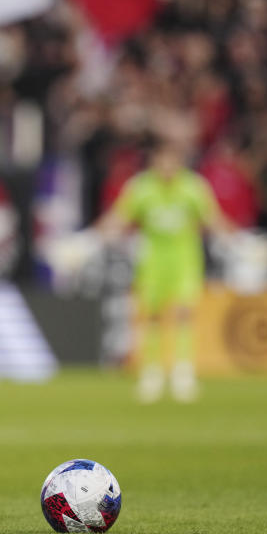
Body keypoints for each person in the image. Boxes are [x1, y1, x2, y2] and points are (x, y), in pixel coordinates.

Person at [96, 140, 232, 403]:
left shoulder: (193, 187)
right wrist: (87, 240)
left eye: (172, 161)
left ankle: (183, 373)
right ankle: (152, 373)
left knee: (183, 315)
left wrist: (242, 242)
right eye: (162, 161)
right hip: (152, 262)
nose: (167, 167)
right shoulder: (141, 187)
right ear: (155, 162)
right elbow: (118, 218)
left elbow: (213, 220)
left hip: (184, 261)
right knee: (152, 317)